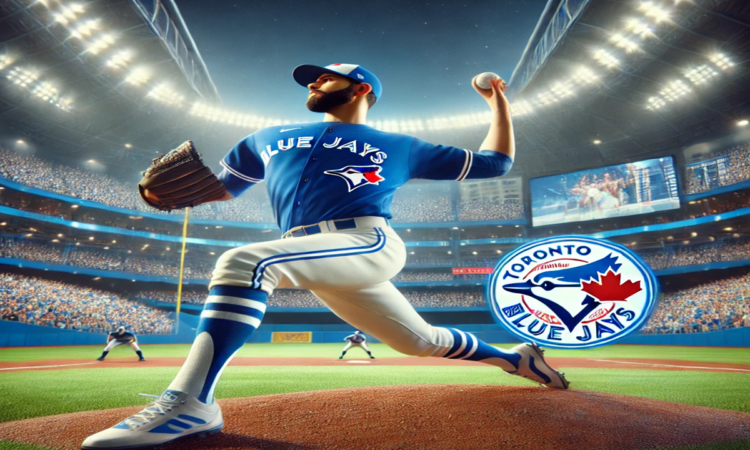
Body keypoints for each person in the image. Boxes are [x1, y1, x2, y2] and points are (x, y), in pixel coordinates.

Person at [83, 63, 568, 449]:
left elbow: (496, 163)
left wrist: (498, 101)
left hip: (366, 242)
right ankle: (515, 359)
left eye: (326, 76)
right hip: (311, 252)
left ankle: (191, 402)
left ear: (361, 90)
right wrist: (168, 194)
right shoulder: (263, 138)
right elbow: (223, 188)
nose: (314, 81)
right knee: (418, 341)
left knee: (245, 261)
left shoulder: (402, 145)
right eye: (312, 78)